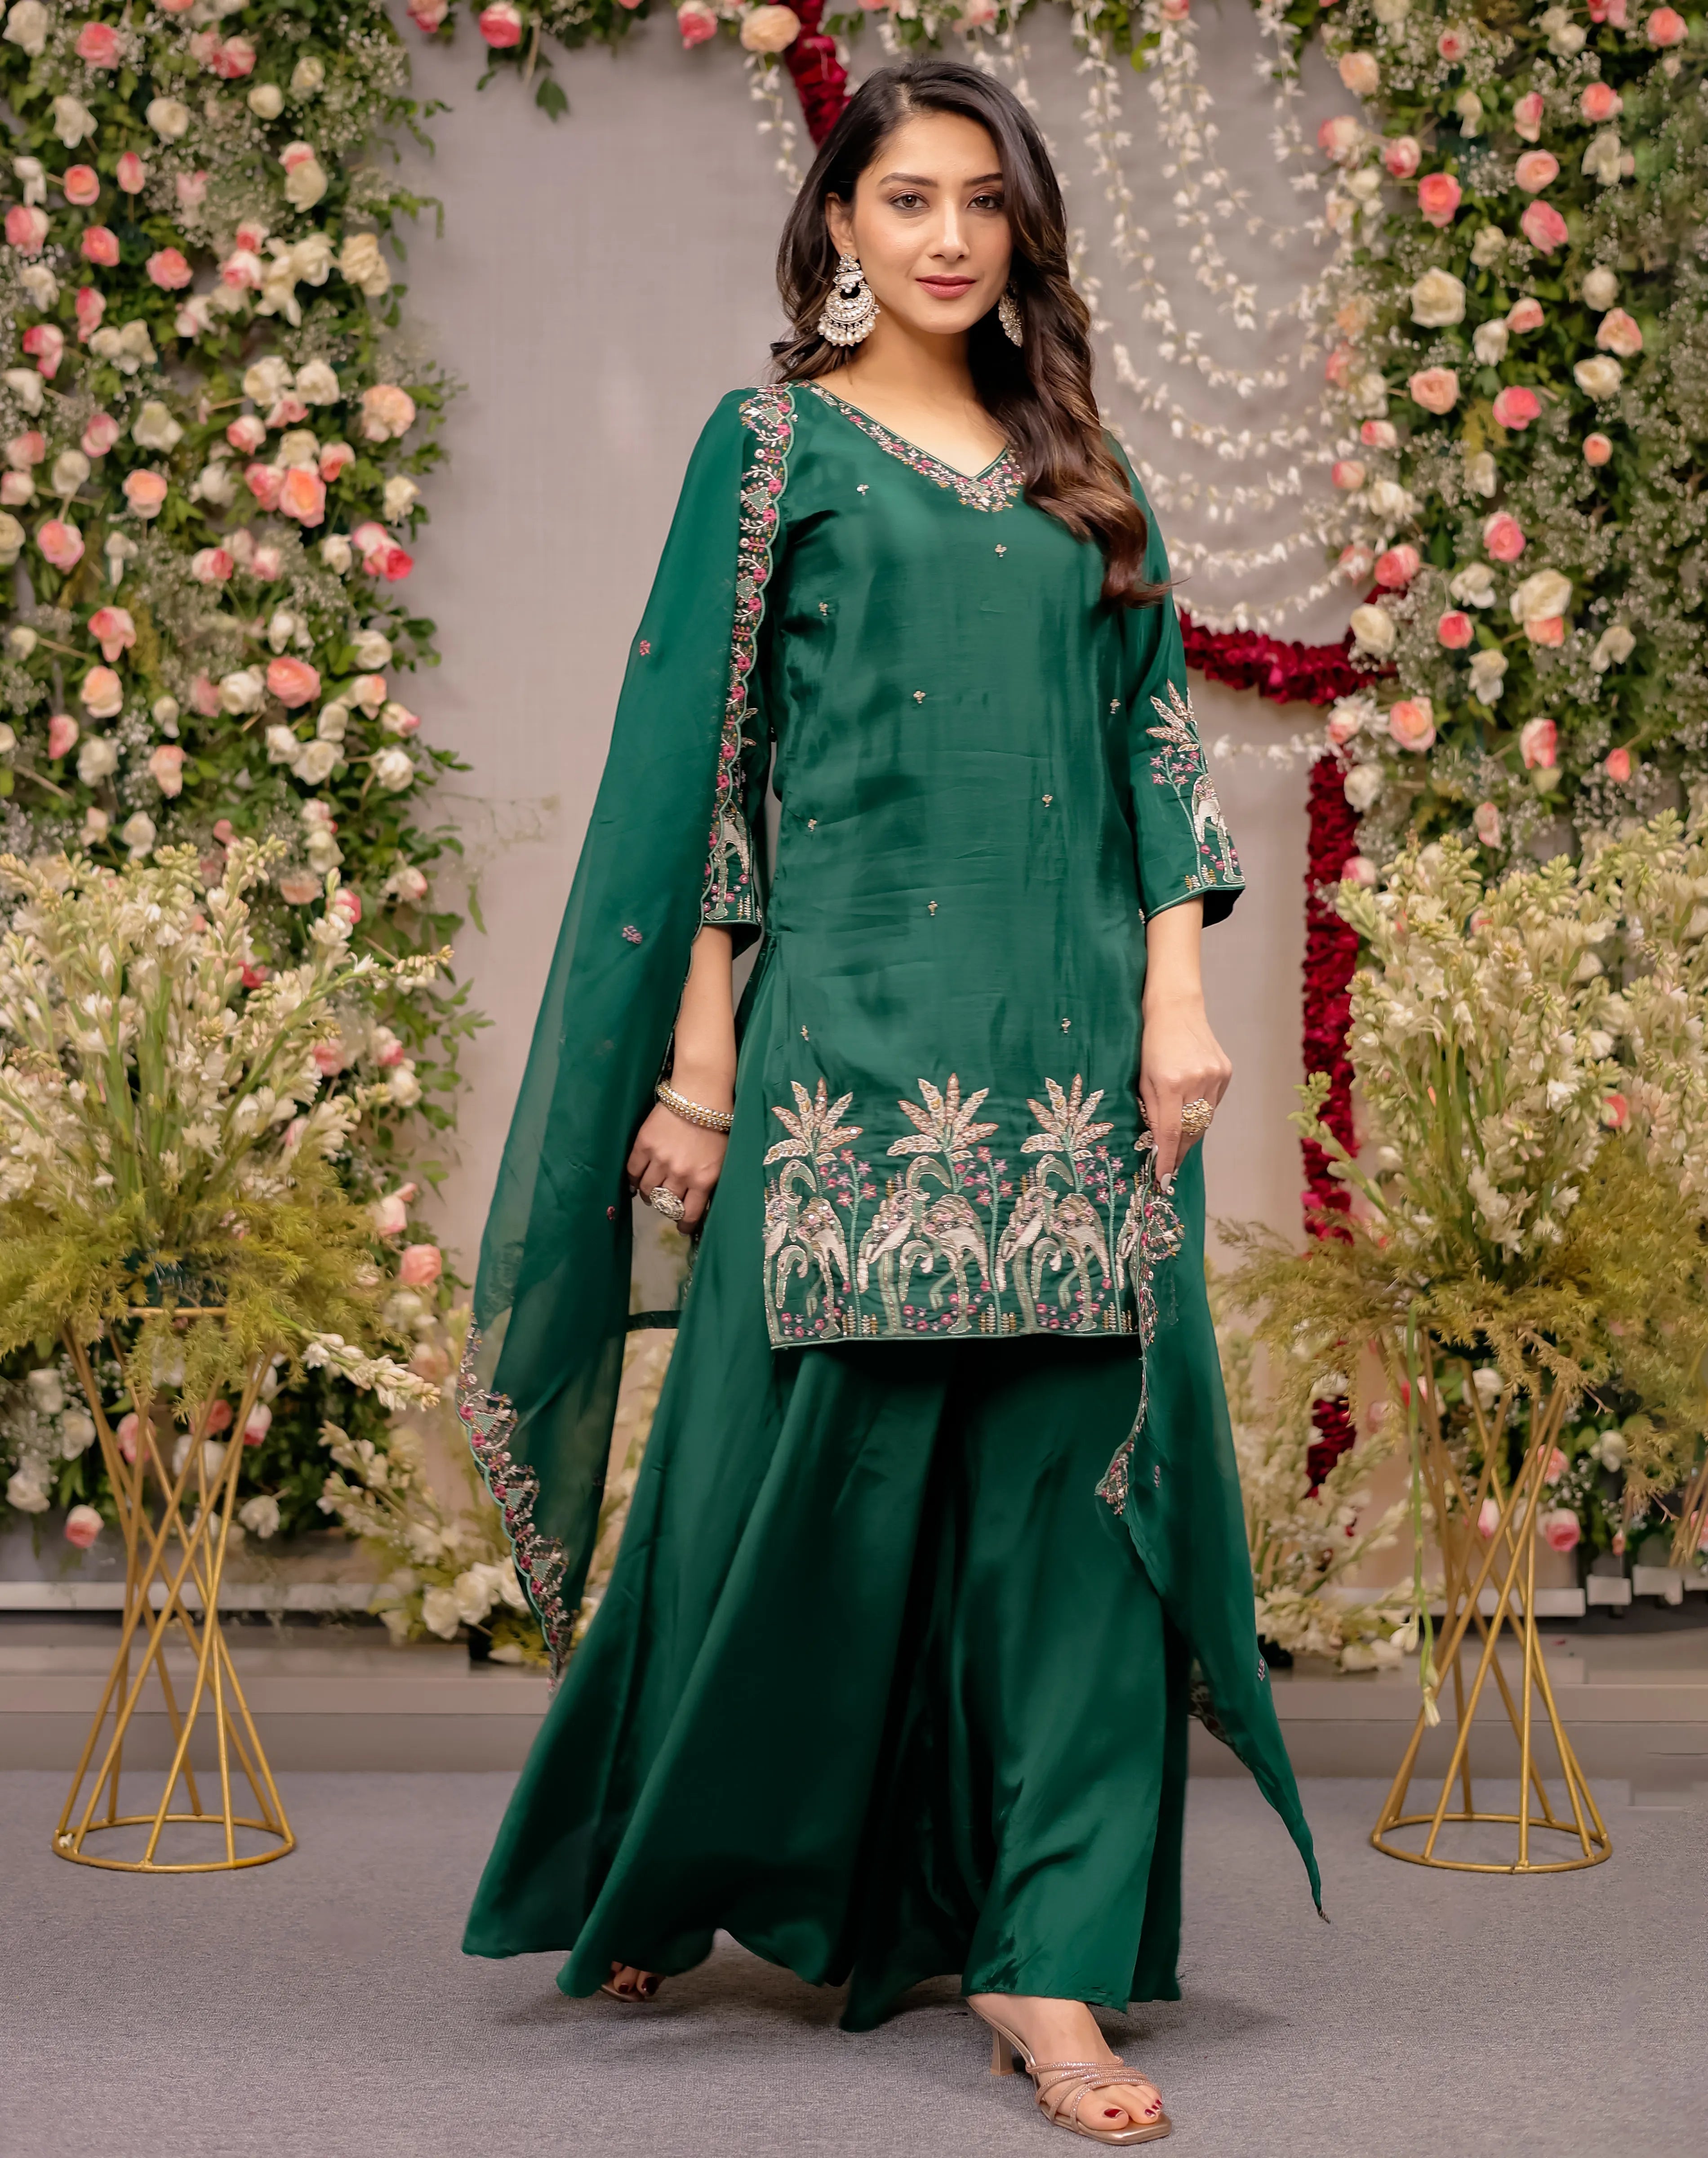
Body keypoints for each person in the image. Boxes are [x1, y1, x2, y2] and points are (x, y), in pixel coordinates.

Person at [457, 57, 1317, 2146]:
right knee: (784, 1505)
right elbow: (720, 777)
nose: (945, 234)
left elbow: (1147, 753)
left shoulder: (1079, 467)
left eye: (981, 202)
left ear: (1019, 233)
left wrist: (1178, 1005)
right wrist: (694, 1066)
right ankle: (685, 1857)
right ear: (835, 225)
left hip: (1073, 1051)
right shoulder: (768, 452)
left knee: (1068, 1521)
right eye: (903, 196)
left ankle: (1045, 1967)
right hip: (844, 1054)